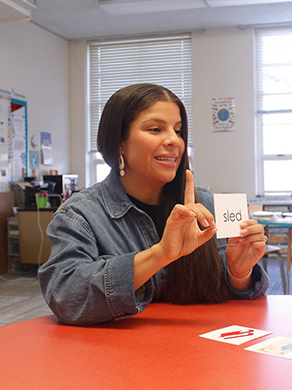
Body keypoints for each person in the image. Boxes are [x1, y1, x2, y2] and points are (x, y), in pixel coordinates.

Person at [38, 83, 269, 325]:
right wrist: (160, 254)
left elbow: (235, 303)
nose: (174, 141)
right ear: (119, 142)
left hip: (203, 353)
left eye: (178, 131)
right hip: (120, 356)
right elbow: (66, 297)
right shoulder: (81, 215)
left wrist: (238, 273)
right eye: (156, 129)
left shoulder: (208, 206)